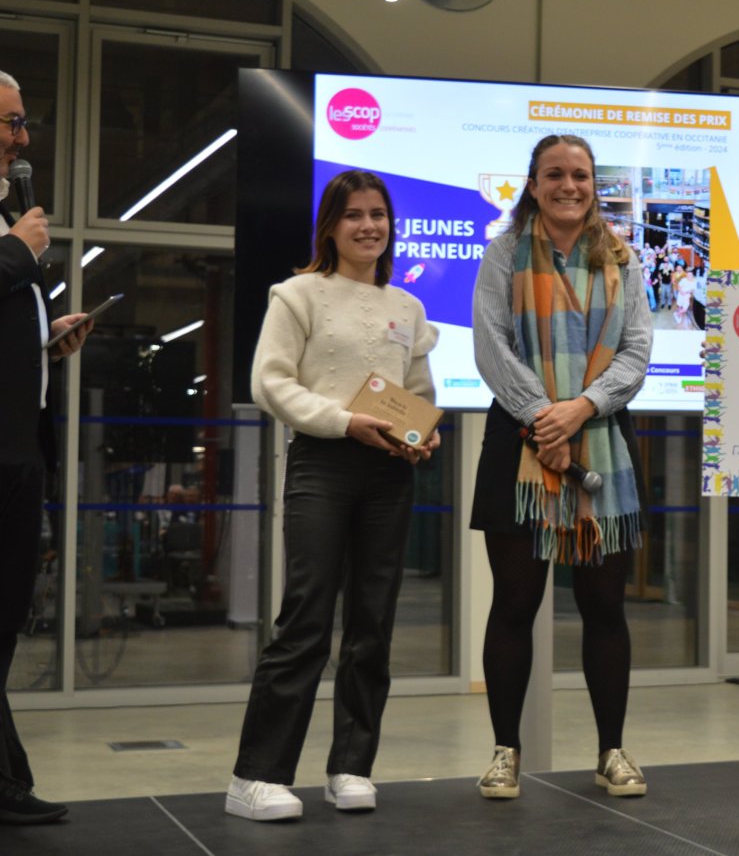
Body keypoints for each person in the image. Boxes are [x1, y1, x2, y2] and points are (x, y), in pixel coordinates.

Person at [225, 169, 439, 822]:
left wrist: (421, 434)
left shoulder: (408, 308)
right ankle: (256, 777)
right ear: (331, 226)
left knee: (372, 625)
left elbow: (419, 395)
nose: (368, 226)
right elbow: (270, 383)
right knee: (307, 618)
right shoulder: (298, 295)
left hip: (388, 472)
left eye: (378, 214)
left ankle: (351, 767)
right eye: (354, 215)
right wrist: (345, 421)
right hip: (322, 462)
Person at [470, 134, 652, 800]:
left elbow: (637, 352)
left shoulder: (625, 259)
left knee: (604, 605)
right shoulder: (502, 254)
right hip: (518, 442)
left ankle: (612, 752)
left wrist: (579, 410)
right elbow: (490, 344)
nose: (568, 185)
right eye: (554, 174)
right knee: (514, 603)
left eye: (580, 174)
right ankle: (505, 753)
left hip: (601, 442)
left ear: (593, 184)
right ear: (533, 184)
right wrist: (543, 418)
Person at [0, 69, 91, 825]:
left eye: (23, 122)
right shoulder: (14, 239)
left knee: (6, 615)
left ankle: (6, 781)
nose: (22, 137)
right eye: (10, 122)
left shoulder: (7, 220)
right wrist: (17, 255)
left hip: (17, 445)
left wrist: (46, 340)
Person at [671, 262, 697, 329]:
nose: (689, 276)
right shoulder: (684, 280)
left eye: (690, 275)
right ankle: (679, 315)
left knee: (685, 309)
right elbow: (679, 286)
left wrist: (688, 292)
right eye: (688, 275)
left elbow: (693, 290)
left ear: (692, 275)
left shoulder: (695, 281)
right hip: (681, 294)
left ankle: (677, 314)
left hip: (687, 296)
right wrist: (681, 292)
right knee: (679, 305)